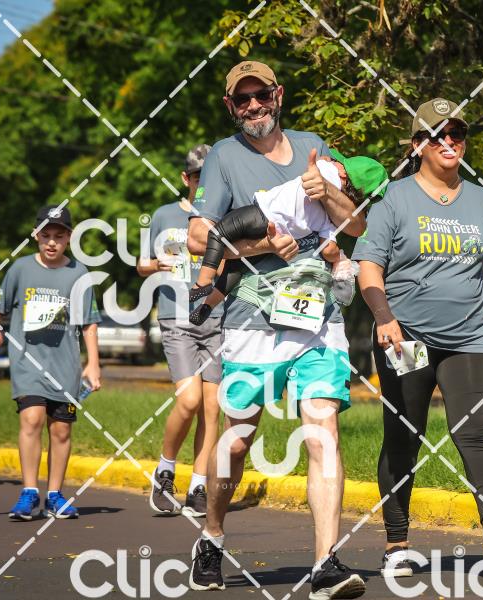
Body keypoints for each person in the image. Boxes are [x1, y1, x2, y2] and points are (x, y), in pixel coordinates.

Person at [186, 61, 367, 598]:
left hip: (318, 317)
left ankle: (326, 562)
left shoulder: (314, 145)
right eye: (241, 100)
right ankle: (212, 536)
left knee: (322, 429)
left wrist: (326, 191)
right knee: (238, 440)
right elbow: (198, 236)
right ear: (230, 106)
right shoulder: (223, 156)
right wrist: (266, 243)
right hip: (253, 318)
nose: (253, 106)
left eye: (260, 95)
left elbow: (356, 223)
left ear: (278, 94)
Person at [355, 98, 483, 579]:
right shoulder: (394, 198)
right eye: (438, 134)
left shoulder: (482, 200)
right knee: (404, 435)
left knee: (475, 431)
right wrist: (384, 316)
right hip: (406, 338)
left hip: (471, 337)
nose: (449, 141)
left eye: (457, 133)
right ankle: (397, 543)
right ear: (418, 145)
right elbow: (369, 266)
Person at [0, 205, 101, 521]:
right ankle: (29, 492)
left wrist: (93, 363)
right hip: (28, 364)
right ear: (35, 235)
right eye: (46, 235)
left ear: (69, 237)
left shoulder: (78, 273)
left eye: (58, 236)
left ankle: (55, 495)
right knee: (32, 419)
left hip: (66, 367)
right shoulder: (20, 269)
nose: (51, 242)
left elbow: (88, 322)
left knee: (61, 430)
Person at [187, 149, 383, 326]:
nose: (333, 161)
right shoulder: (331, 218)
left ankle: (202, 283)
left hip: (260, 215)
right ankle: (207, 306)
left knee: (217, 234)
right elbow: (329, 249)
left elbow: (324, 160)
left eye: (338, 162)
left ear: (343, 173)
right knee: (235, 269)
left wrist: (327, 162)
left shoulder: (325, 171)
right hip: (280, 239)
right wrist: (338, 258)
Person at [136, 144, 222, 517]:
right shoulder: (163, 215)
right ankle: (165, 470)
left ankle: (199, 485)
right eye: (198, 177)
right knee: (188, 401)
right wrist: (158, 263)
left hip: (217, 317)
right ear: (186, 178)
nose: (204, 184)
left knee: (212, 408)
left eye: (210, 178)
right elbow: (141, 265)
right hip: (177, 317)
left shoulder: (225, 214)